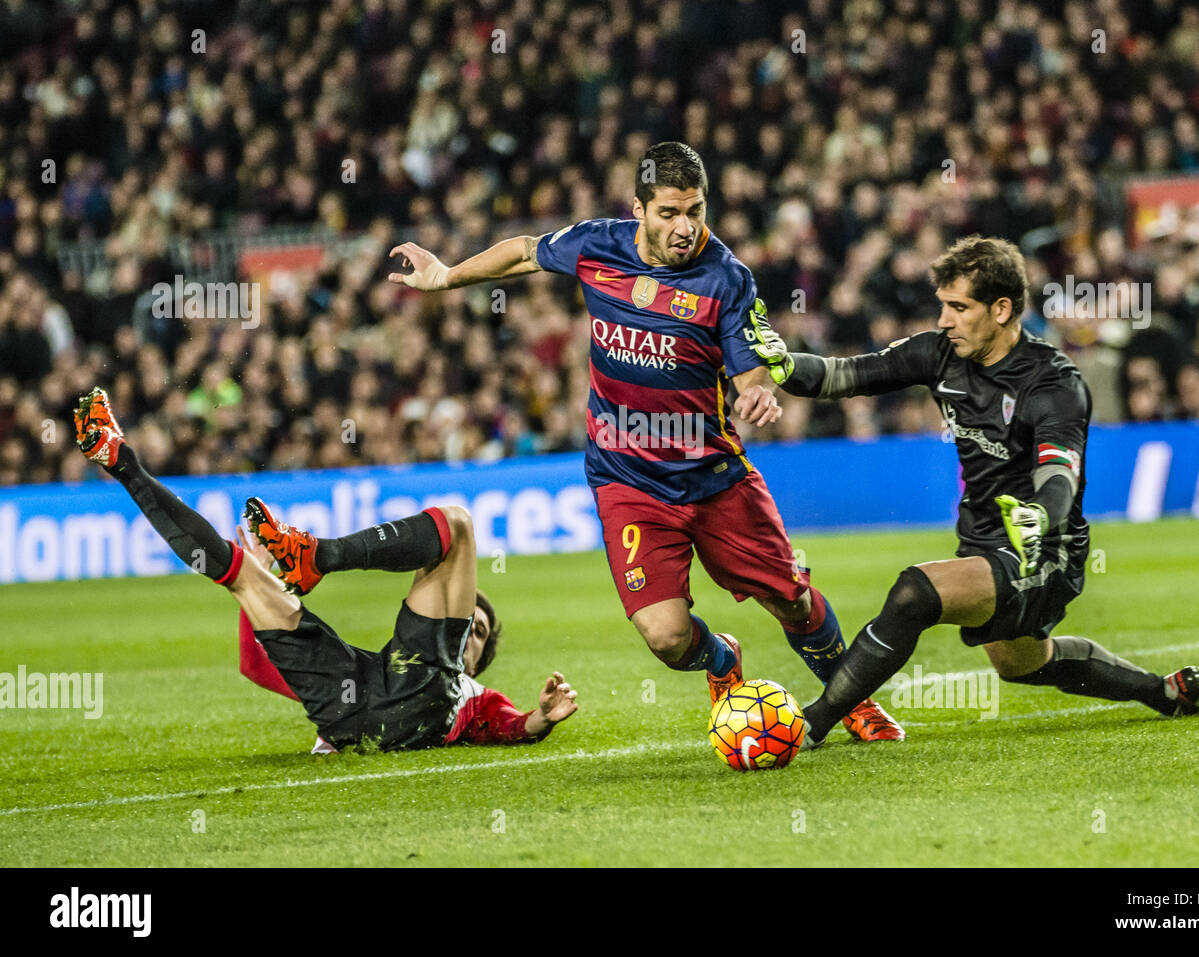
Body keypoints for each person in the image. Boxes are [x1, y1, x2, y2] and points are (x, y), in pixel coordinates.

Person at [387, 140, 900, 742]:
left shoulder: (727, 278)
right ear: (639, 209)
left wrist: (756, 391)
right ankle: (723, 660)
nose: (685, 227)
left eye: (696, 211)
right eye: (670, 213)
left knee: (790, 599)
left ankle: (851, 700)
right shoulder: (596, 245)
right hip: (626, 480)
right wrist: (447, 275)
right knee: (666, 636)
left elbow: (751, 364)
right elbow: (524, 253)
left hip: (713, 476)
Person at [761, 235, 1199, 745]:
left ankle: (811, 724)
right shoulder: (939, 354)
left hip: (1042, 549)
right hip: (982, 537)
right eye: (943, 306)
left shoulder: (1053, 383)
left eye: (959, 308)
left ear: (1001, 309)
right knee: (1022, 664)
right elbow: (845, 375)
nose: (944, 320)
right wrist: (783, 363)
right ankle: (1164, 692)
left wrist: (1040, 517)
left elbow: (1059, 472)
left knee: (915, 593)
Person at [73, 387, 578, 753]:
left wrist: (543, 718)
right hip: (350, 705)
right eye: (471, 623)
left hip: (411, 691)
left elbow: (515, 725)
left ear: (484, 656)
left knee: (456, 524)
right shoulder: (411, 671)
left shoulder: (475, 697)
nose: (469, 634)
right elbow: (256, 665)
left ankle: (314, 556)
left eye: (478, 631)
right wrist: (264, 583)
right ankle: (123, 463)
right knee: (241, 572)